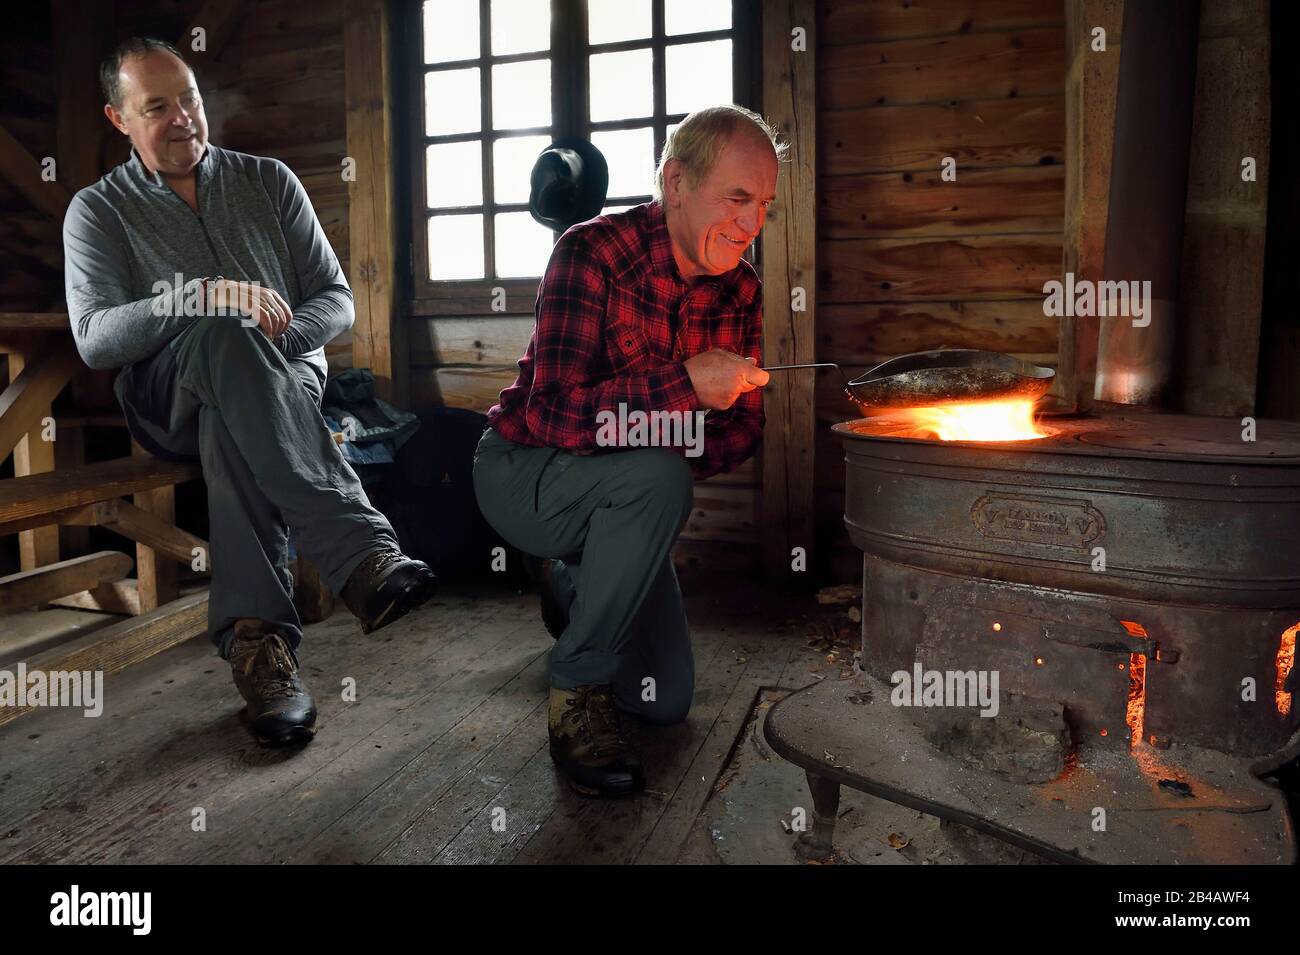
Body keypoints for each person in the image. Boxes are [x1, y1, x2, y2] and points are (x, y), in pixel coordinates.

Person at [62, 38, 437, 747]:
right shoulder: (96, 211)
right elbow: (95, 338)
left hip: (281, 382)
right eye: (158, 107)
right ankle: (363, 555)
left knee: (234, 417)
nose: (184, 119)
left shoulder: (270, 180)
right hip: (163, 395)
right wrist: (197, 298)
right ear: (119, 119)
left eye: (190, 98)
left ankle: (260, 649)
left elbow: (335, 299)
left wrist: (276, 344)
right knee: (221, 335)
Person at [473, 105, 782, 796]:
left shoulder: (742, 287)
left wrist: (665, 424)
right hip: (523, 474)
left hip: (625, 499)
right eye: (737, 198)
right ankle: (575, 690)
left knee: (663, 699)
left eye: (763, 204)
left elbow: (741, 432)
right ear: (676, 182)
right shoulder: (590, 251)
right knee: (659, 472)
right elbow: (551, 411)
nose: (751, 222)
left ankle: (575, 582)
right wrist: (682, 388)